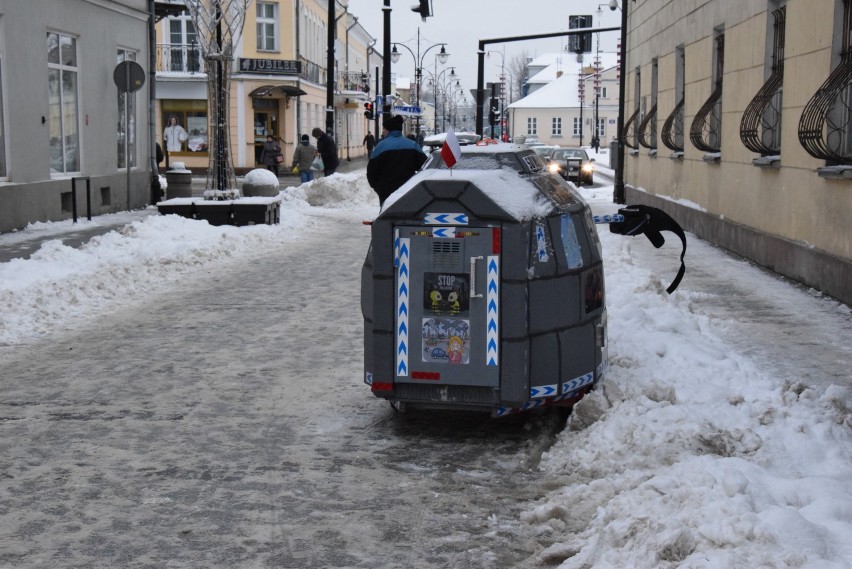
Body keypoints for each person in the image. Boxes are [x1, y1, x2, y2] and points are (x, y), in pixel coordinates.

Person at [366, 114, 427, 206]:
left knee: (387, 216)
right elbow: (424, 167)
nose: (383, 132)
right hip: (408, 189)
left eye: (384, 129)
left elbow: (371, 172)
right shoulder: (413, 145)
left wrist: (378, 188)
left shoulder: (381, 146)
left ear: (388, 130)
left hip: (386, 191)